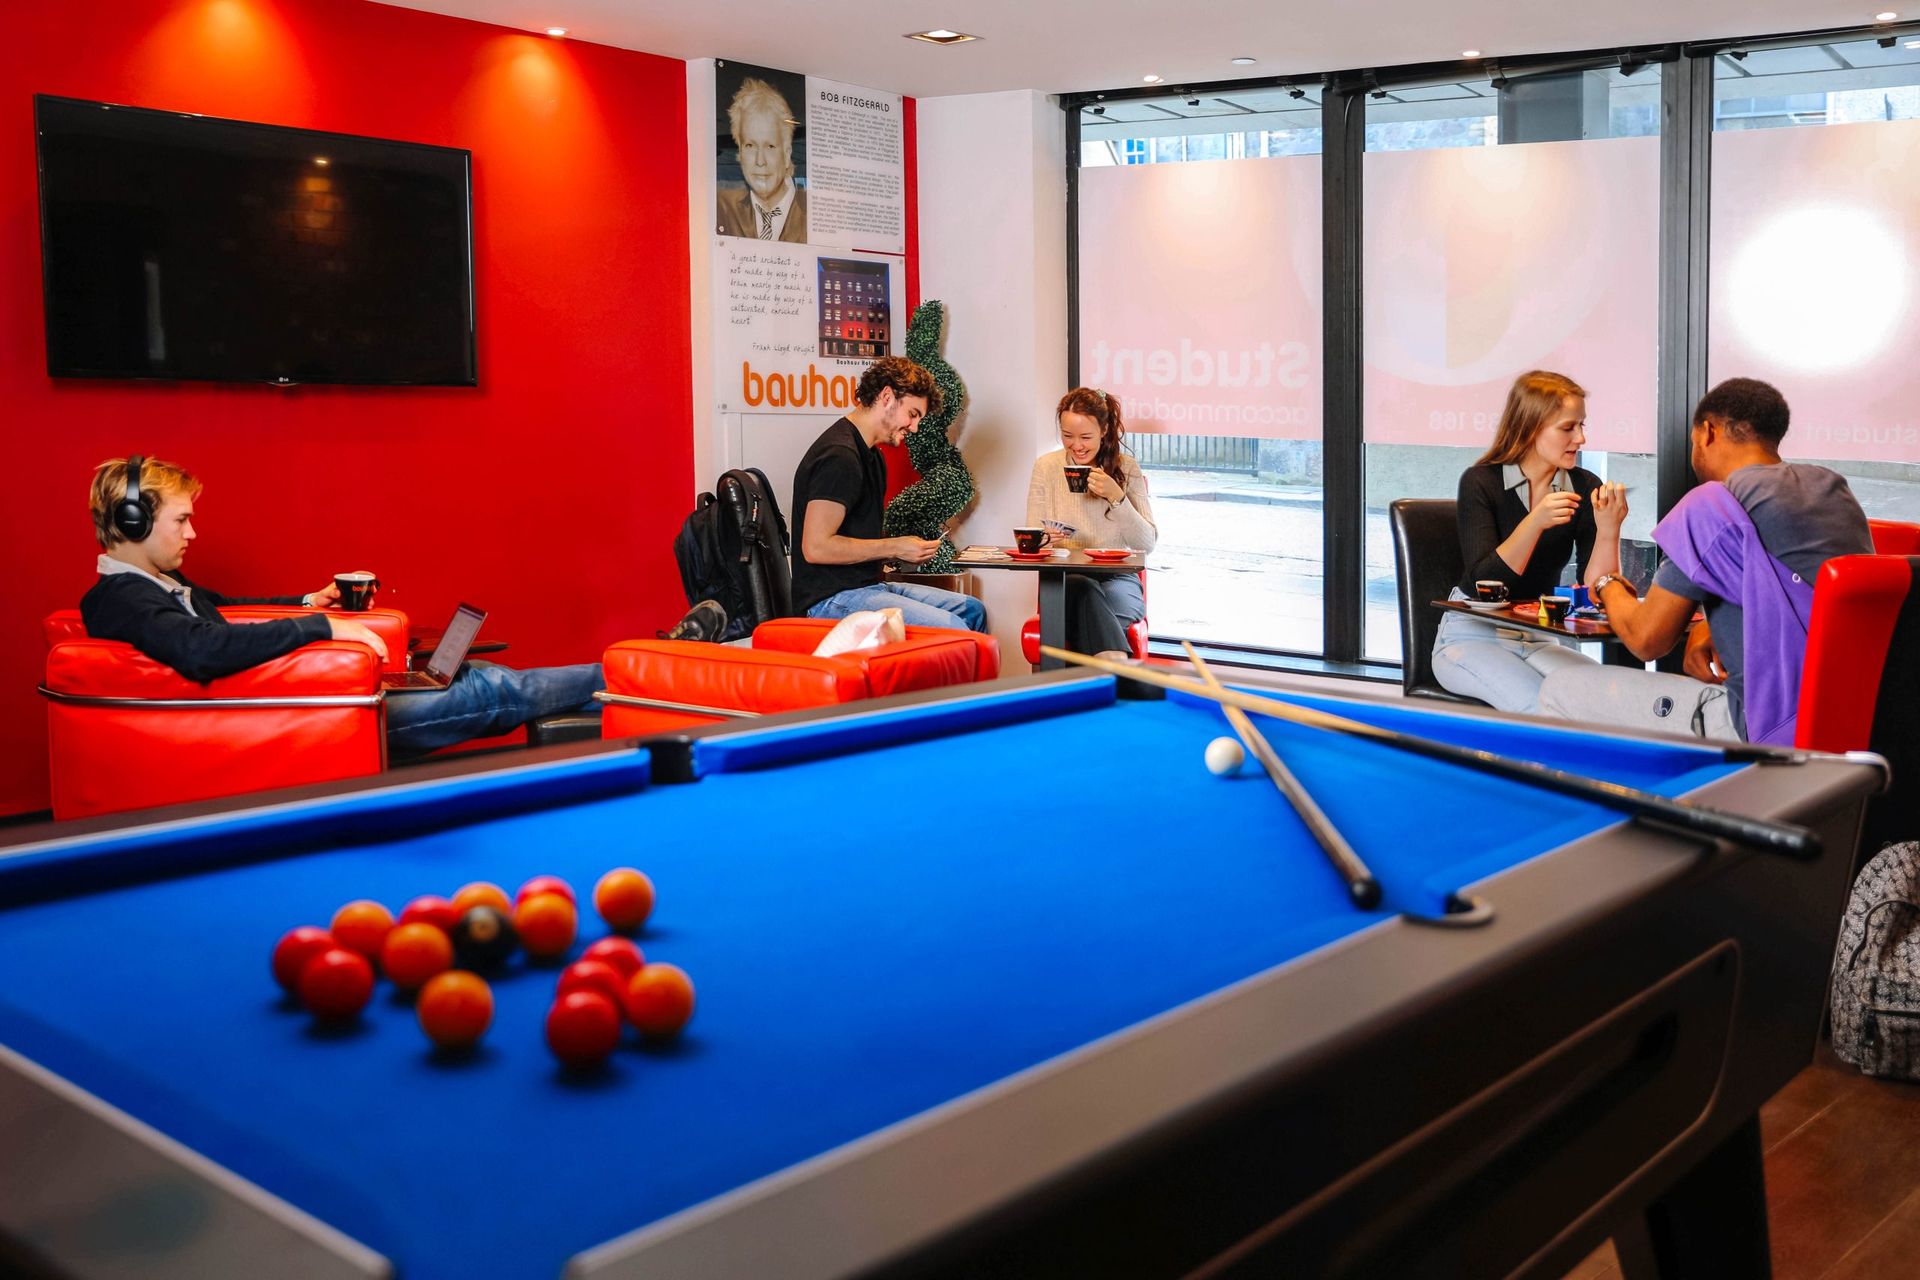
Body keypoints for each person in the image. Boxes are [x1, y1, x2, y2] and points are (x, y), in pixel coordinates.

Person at [79, 457, 721, 757]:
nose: (192, 535)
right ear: (133, 521)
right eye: (181, 521)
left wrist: (304, 600)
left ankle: (646, 678)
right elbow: (200, 651)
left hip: (310, 707)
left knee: (477, 680)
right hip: (306, 722)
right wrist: (321, 624)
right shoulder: (121, 597)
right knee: (492, 689)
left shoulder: (154, 589)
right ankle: (652, 666)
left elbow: (227, 608)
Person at [1538, 378, 1873, 744]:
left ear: (1707, 433)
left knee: (1559, 688)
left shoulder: (1713, 504)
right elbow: (1793, 586)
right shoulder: (1832, 489)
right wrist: (1710, 626)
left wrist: (1607, 585)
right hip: (1855, 721)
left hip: (1761, 727)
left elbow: (1647, 640)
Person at [1431, 370, 1628, 712]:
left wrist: (1609, 529)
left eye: (1582, 425)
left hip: (1537, 636)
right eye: (1568, 427)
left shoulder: (1583, 485)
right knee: (1544, 709)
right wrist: (1534, 522)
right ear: (1531, 427)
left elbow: (1597, 593)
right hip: (1471, 635)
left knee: (1610, 702)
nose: (1580, 438)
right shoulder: (1481, 482)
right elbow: (1484, 585)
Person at [791, 356, 988, 632]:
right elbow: (816, 547)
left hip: (866, 587)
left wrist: (905, 549)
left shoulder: (872, 455)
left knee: (972, 610)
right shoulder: (840, 456)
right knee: (953, 627)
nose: (915, 427)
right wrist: (895, 546)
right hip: (828, 601)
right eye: (913, 414)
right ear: (887, 397)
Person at [1026, 387, 1157, 657]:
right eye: (1067, 436)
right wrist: (1043, 539)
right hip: (1067, 578)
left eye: (1086, 437)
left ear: (1105, 430)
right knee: (1082, 588)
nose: (1076, 445)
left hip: (1118, 579)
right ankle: (1118, 670)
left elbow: (1146, 543)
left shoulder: (1126, 468)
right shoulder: (1046, 467)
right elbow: (1032, 541)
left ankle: (1075, 692)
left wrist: (1116, 497)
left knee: (1092, 619)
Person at [716, 77, 808, 243]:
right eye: (750, 146)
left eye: (770, 146)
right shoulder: (721, 209)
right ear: (740, 153)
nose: (760, 161)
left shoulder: (816, 214)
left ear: (787, 154)